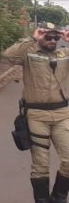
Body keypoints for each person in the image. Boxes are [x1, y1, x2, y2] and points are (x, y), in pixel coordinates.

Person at [5, 23, 69, 203]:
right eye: (48, 36)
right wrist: (33, 38)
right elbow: (9, 56)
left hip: (62, 114)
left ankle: (59, 196)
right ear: (41, 35)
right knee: (41, 165)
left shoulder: (65, 54)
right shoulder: (29, 53)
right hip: (36, 116)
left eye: (56, 37)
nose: (52, 40)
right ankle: (42, 200)